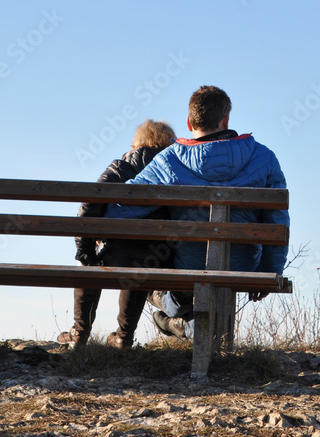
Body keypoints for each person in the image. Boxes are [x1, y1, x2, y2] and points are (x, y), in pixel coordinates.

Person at [106, 85, 289, 339]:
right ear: (225, 119)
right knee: (190, 297)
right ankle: (187, 325)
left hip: (190, 263)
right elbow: (277, 220)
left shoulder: (169, 160)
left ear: (189, 122)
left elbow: (120, 209)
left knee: (165, 291)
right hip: (244, 264)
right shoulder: (264, 157)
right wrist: (271, 270)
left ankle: (177, 320)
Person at [56, 119, 176, 349]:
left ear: (137, 143)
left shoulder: (120, 167)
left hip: (116, 253)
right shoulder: (174, 171)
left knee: (90, 266)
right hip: (159, 257)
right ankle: (123, 337)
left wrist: (85, 251)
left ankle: (79, 334)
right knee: (140, 267)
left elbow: (89, 207)